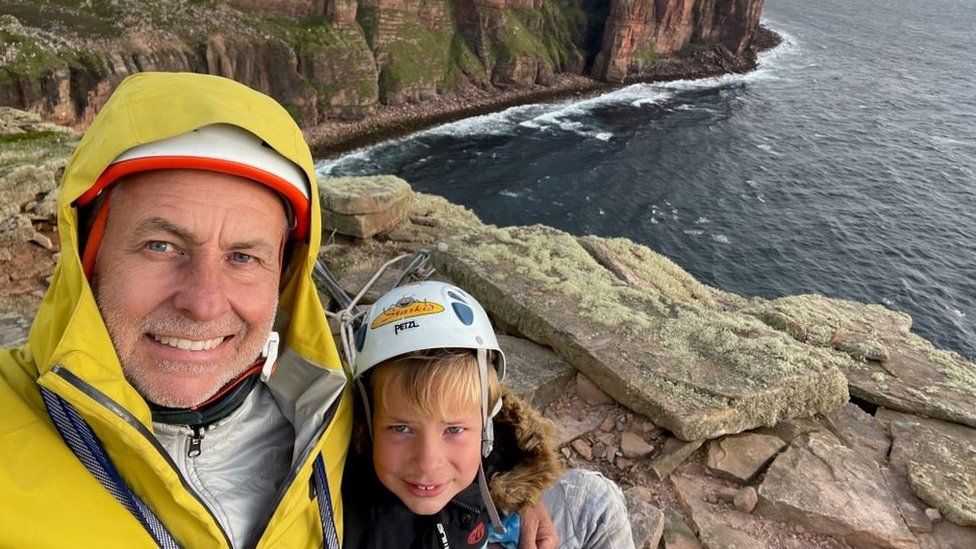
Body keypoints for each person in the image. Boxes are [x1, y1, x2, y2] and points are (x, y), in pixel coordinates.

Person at [0, 71, 352, 547]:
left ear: (284, 278)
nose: (204, 304)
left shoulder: (337, 424)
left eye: (243, 257)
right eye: (161, 246)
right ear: (88, 256)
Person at [342, 281, 635, 548]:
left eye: (453, 430)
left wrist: (525, 496)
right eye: (402, 429)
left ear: (486, 427)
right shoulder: (348, 522)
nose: (428, 462)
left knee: (597, 500)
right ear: (365, 426)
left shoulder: (493, 442)